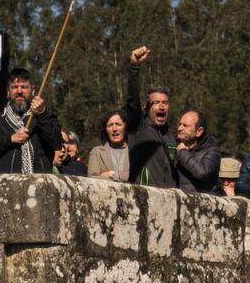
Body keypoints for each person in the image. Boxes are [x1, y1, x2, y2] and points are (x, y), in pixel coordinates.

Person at [0, 69, 61, 175]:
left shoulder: (45, 116)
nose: (19, 91)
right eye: (14, 87)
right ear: (8, 91)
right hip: (6, 185)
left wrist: (42, 114)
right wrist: (10, 139)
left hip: (38, 184)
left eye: (24, 87)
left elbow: (56, 143)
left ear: (33, 90)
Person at [121, 46, 177, 188]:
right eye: (156, 103)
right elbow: (132, 100)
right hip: (143, 200)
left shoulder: (171, 136)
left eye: (165, 102)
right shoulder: (138, 127)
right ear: (147, 107)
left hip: (169, 202)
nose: (161, 106)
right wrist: (134, 67)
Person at [172, 110, 222, 195]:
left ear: (199, 131)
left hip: (201, 204)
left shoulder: (212, 152)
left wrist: (183, 153)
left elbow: (202, 173)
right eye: (180, 124)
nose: (179, 128)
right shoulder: (172, 145)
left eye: (185, 126)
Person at [88, 110, 130, 182]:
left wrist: (112, 175)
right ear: (105, 129)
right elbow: (92, 179)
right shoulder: (96, 152)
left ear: (125, 127)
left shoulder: (134, 150)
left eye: (118, 124)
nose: (114, 129)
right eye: (110, 125)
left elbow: (138, 177)